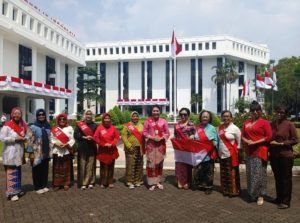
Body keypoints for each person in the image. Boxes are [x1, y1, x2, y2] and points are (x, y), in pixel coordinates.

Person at [242, 101, 272, 206]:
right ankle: (252, 194)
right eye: (252, 110)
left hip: (260, 151)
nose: (255, 112)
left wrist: (254, 142)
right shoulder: (246, 123)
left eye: (257, 110)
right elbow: (242, 135)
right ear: (250, 111)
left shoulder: (265, 123)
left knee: (259, 174)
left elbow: (269, 137)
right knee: (250, 173)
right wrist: (247, 141)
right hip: (249, 151)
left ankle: (260, 195)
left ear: (260, 111)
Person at [269, 107, 298, 209]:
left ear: (285, 114)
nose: (279, 114)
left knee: (286, 178)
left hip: (285, 155)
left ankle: (286, 201)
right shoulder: (272, 124)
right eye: (278, 112)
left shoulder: (289, 124)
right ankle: (279, 198)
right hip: (274, 155)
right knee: (278, 178)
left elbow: (295, 140)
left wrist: (281, 143)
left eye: (282, 112)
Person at [0, 107, 27, 201]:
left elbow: (25, 135)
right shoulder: (7, 125)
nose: (17, 115)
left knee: (18, 171)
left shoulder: (22, 125)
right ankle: (11, 193)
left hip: (19, 152)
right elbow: (2, 138)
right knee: (11, 172)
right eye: (15, 113)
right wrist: (15, 139)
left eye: (19, 113)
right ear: (12, 114)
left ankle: (17, 190)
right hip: (10, 153)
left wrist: (25, 138)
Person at [143, 105, 170, 191]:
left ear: (160, 112)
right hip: (151, 146)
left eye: (157, 111)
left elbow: (167, 132)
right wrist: (152, 137)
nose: (155, 112)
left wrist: (161, 137)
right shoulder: (148, 121)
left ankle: (158, 182)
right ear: (151, 112)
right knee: (151, 164)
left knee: (159, 164)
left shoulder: (163, 121)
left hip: (160, 146)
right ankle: (151, 182)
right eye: (154, 111)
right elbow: (144, 132)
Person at [27, 109, 51, 194]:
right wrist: (30, 153)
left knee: (45, 169)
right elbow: (29, 141)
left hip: (46, 152)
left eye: (43, 114)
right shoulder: (33, 127)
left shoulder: (48, 126)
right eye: (39, 115)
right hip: (36, 152)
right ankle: (37, 187)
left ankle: (44, 185)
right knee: (37, 169)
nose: (41, 116)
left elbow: (50, 138)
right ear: (37, 116)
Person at [217, 110, 241, 197]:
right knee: (224, 172)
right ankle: (225, 190)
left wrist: (237, 152)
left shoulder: (235, 128)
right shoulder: (220, 127)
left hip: (231, 154)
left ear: (231, 118)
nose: (226, 118)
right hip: (222, 153)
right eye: (224, 116)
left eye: (228, 116)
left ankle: (233, 191)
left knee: (232, 173)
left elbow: (239, 143)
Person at [193, 110, 218, 194]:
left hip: (208, 153)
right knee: (199, 169)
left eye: (207, 117)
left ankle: (208, 187)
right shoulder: (197, 127)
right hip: (199, 153)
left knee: (208, 171)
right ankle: (200, 185)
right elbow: (194, 138)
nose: (205, 118)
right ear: (201, 117)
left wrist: (214, 143)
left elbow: (215, 140)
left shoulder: (212, 128)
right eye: (203, 116)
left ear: (209, 118)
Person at [94, 113, 120, 188]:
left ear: (110, 119)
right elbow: (96, 137)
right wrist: (102, 144)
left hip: (111, 150)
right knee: (103, 166)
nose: (107, 120)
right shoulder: (99, 128)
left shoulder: (113, 128)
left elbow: (117, 137)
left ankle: (110, 181)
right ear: (103, 119)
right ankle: (103, 181)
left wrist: (112, 144)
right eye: (105, 118)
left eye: (108, 118)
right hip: (103, 150)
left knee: (111, 166)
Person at [51, 113, 75, 191]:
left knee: (66, 168)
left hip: (66, 150)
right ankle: (57, 184)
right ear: (58, 120)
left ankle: (66, 183)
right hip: (57, 150)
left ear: (66, 120)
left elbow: (72, 139)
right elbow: (51, 138)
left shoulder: (70, 128)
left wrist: (67, 144)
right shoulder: (54, 129)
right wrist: (56, 143)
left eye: (63, 119)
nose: (62, 120)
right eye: (60, 119)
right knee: (57, 168)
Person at [74, 109, 98, 190]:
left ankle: (91, 182)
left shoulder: (95, 125)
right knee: (82, 165)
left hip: (92, 147)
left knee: (90, 165)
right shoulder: (80, 124)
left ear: (92, 116)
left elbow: (98, 136)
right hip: (82, 147)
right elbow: (76, 135)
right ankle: (83, 183)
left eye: (90, 114)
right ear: (85, 115)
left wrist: (92, 137)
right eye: (87, 114)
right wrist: (83, 137)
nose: (88, 116)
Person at [173, 108, 196, 189]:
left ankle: (187, 182)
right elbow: (175, 136)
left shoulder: (191, 124)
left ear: (188, 115)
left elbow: (195, 135)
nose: (183, 116)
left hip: (188, 148)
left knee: (187, 165)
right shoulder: (176, 125)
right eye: (181, 114)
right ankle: (180, 181)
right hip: (179, 148)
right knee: (179, 165)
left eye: (185, 114)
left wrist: (193, 136)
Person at [121, 111, 144, 189]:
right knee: (130, 164)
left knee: (139, 164)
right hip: (130, 148)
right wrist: (128, 146)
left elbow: (143, 136)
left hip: (139, 148)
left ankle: (138, 181)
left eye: (136, 116)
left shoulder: (141, 125)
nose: (135, 117)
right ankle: (130, 181)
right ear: (131, 117)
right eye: (133, 116)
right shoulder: (127, 126)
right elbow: (123, 136)